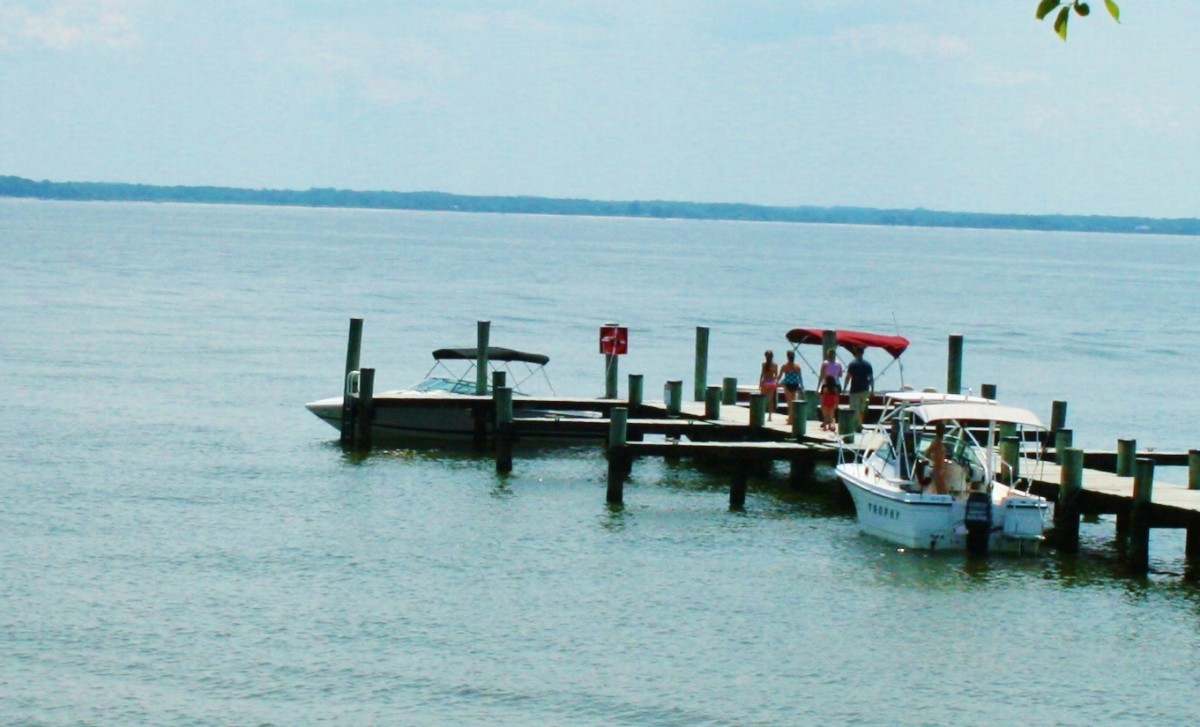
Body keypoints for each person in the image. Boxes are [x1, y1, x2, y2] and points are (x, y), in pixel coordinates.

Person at [843, 346, 874, 432]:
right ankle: (859, 424)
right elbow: (871, 378)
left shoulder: (852, 364)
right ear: (863, 353)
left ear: (856, 353)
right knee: (861, 409)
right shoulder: (868, 364)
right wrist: (872, 390)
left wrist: (845, 388)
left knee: (854, 409)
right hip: (865, 389)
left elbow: (848, 377)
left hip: (855, 390)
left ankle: (858, 425)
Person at [778, 350, 804, 425]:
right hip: (795, 385)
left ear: (787, 357)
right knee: (793, 401)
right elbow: (800, 377)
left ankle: (790, 419)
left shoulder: (784, 366)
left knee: (789, 403)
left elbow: (779, 376)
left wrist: (776, 382)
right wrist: (802, 386)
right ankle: (791, 417)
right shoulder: (797, 366)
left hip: (787, 385)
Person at [924, 421, 948, 494]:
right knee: (942, 490)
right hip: (938, 469)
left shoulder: (941, 442)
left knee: (941, 489)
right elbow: (927, 453)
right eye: (942, 429)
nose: (944, 431)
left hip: (941, 468)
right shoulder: (936, 441)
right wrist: (934, 459)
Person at [759, 349, 779, 421]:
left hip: (765, 382)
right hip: (772, 383)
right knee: (770, 401)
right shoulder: (775, 365)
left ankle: (760, 415)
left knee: (762, 400)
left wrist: (760, 383)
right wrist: (776, 383)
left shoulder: (764, 364)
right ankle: (769, 417)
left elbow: (762, 375)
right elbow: (776, 376)